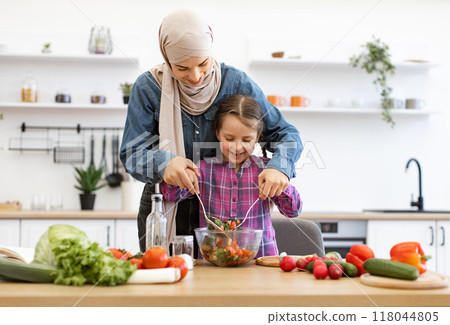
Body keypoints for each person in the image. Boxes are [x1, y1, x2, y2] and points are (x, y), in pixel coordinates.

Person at [120, 9, 303, 254]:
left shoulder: (236, 82)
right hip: (166, 205)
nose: (195, 76)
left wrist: (279, 167)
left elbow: (284, 133)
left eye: (203, 63)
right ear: (166, 58)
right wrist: (164, 164)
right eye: (182, 68)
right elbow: (132, 153)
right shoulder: (149, 87)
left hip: (227, 209)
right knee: (166, 284)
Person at [160, 95, 302, 258]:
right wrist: (178, 173)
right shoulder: (203, 169)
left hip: (262, 261)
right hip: (214, 260)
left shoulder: (267, 170)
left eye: (247, 139)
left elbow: (293, 211)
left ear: (257, 138)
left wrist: (281, 183)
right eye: (229, 138)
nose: (237, 146)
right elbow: (171, 195)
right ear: (218, 134)